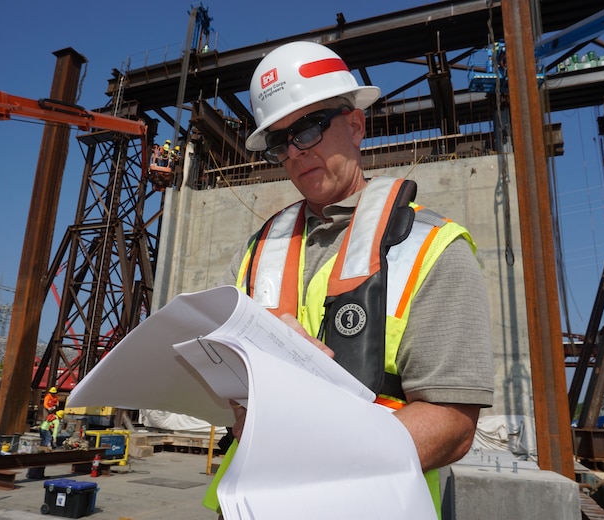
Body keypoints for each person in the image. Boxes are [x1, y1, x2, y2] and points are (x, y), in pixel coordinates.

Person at [204, 41, 494, 516]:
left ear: (356, 125)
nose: (295, 152)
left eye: (309, 128)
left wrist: (323, 472)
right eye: (280, 142)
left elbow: (452, 422)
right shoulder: (256, 253)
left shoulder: (432, 246)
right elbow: (217, 373)